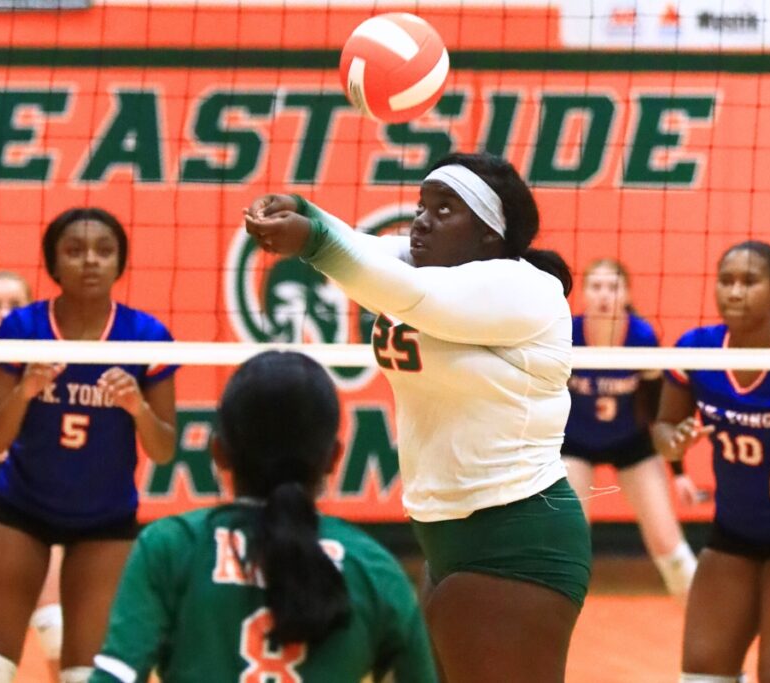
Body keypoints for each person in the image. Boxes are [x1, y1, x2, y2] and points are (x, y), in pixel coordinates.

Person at [242, 152, 592, 683]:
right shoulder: (421, 263)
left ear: (490, 237)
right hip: (446, 533)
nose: (423, 221)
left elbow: (410, 296)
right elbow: (369, 252)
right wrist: (304, 211)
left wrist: (312, 241)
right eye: (421, 206)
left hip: (516, 535)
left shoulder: (524, 289)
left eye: (445, 209)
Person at [88, 350, 437, 682]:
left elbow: (116, 676)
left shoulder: (170, 549)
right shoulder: (376, 571)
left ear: (218, 452)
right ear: (334, 458)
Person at [0, 208, 178, 683]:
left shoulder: (146, 337)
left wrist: (136, 406)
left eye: (104, 251)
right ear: (53, 263)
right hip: (22, 509)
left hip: (104, 519)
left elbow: (164, 450)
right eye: (75, 251)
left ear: (120, 263)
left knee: (85, 673)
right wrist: (25, 389)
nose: (90, 262)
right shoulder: (22, 330)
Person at [652, 240, 770, 683]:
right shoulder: (696, 350)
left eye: (749, 282)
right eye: (726, 281)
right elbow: (663, 429)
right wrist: (675, 443)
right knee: (701, 674)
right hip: (735, 532)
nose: (735, 292)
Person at [562, 258, 697, 600]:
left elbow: (656, 408)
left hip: (630, 441)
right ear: (584, 294)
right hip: (574, 443)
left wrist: (678, 472)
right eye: (596, 286)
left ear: (626, 294)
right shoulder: (567, 333)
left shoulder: (640, 336)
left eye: (613, 287)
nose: (604, 295)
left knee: (668, 543)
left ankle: (705, 624)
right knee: (568, 541)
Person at [0, 272, 65, 682]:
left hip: (28, 511)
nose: (3, 312)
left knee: (57, 630)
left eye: (14, 303)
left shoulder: (52, 366)